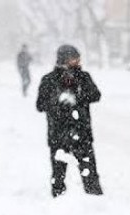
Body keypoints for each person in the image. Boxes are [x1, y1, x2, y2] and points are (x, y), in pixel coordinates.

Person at [36, 44, 103, 197]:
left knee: (89, 172)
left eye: (78, 58)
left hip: (82, 133)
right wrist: (58, 102)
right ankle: (59, 203)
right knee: (58, 175)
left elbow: (96, 95)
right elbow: (40, 105)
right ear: (64, 59)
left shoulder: (84, 77)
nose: (77, 62)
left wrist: (77, 98)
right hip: (58, 135)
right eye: (74, 59)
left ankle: (96, 203)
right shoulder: (49, 80)